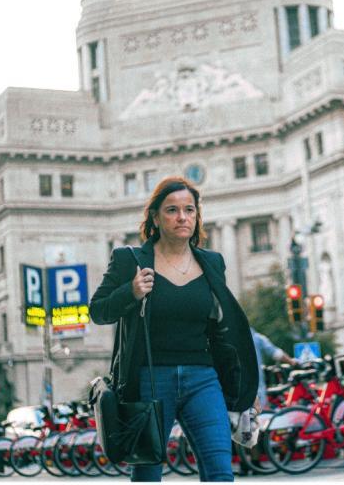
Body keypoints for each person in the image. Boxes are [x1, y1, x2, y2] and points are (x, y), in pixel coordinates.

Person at [90, 176, 258, 482]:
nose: (182, 217)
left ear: (197, 216)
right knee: (148, 475)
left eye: (189, 210)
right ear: (155, 218)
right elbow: (98, 311)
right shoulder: (130, 260)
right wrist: (131, 292)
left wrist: (241, 388)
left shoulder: (212, 262)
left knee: (221, 472)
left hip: (203, 379)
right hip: (150, 381)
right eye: (172, 210)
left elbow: (221, 332)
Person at [251, 328, 298, 409]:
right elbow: (276, 353)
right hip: (256, 390)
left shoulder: (228, 334)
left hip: (233, 395)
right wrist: (292, 362)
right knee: (261, 413)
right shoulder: (253, 335)